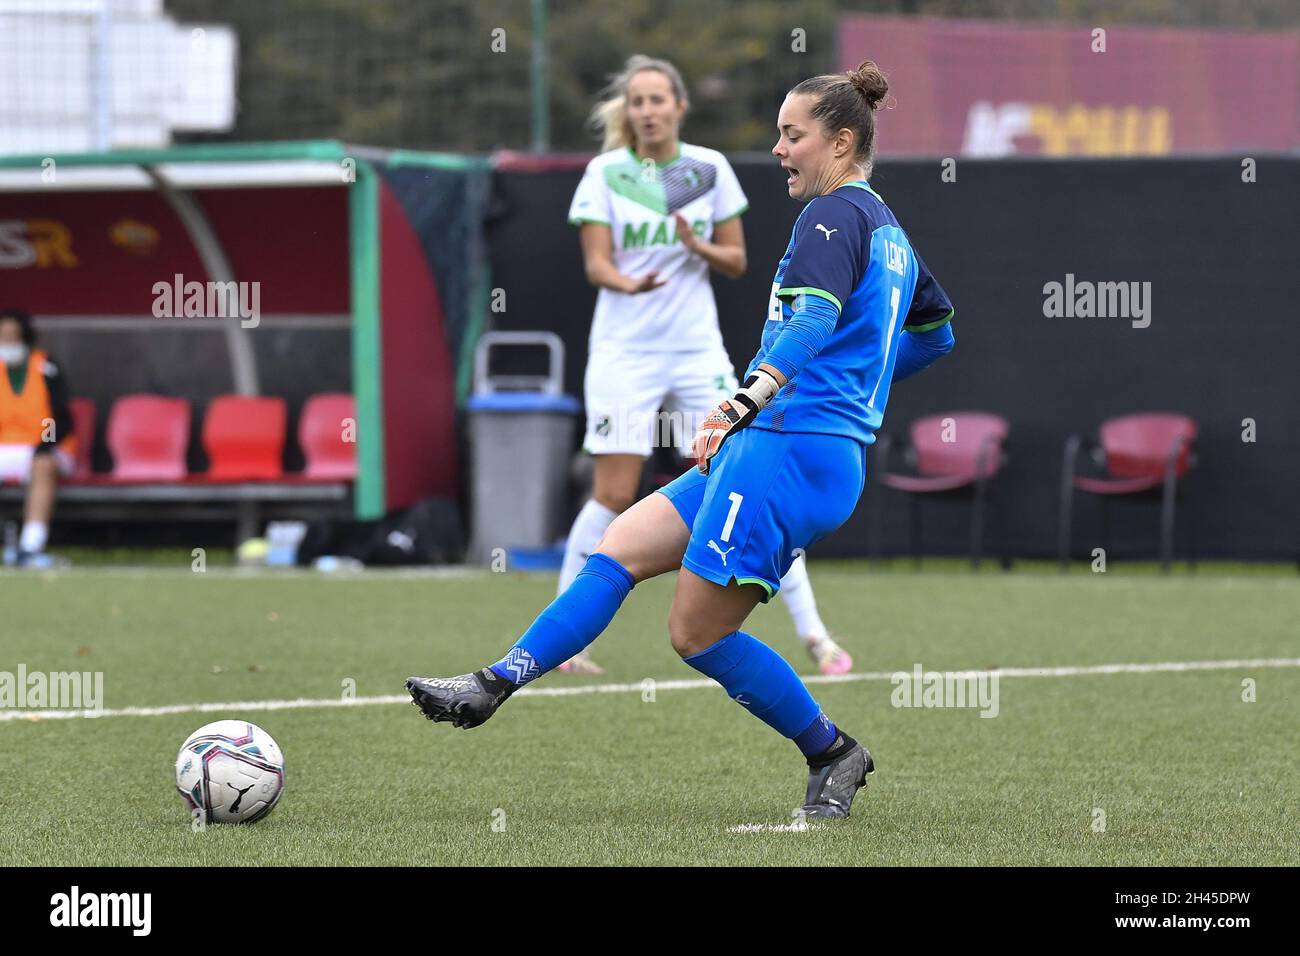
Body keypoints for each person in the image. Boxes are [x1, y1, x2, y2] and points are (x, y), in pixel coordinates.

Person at [408, 61, 955, 820]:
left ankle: (832, 752)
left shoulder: (830, 216)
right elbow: (938, 335)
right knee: (620, 546)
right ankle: (492, 683)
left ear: (840, 139)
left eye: (792, 135)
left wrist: (745, 398)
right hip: (794, 445)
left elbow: (811, 320)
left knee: (695, 633)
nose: (780, 149)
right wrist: (851, 388)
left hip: (785, 450)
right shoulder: (888, 231)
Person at [558, 53, 851, 676]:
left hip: (695, 350)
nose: (647, 111)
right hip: (623, 352)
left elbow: (738, 261)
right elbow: (595, 266)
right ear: (629, 112)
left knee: (753, 474)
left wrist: (699, 246)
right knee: (611, 493)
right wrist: (626, 283)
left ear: (678, 107)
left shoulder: (708, 169)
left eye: (658, 99)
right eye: (637, 101)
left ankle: (816, 637)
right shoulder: (606, 173)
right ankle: (569, 640)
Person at [0, 309, 76, 568]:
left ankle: (30, 547)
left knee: (43, 465)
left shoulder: (45, 366)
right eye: (2, 336)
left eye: (12, 335)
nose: (7, 342)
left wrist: (45, 445)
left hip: (46, 446)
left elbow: (61, 417)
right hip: (6, 448)